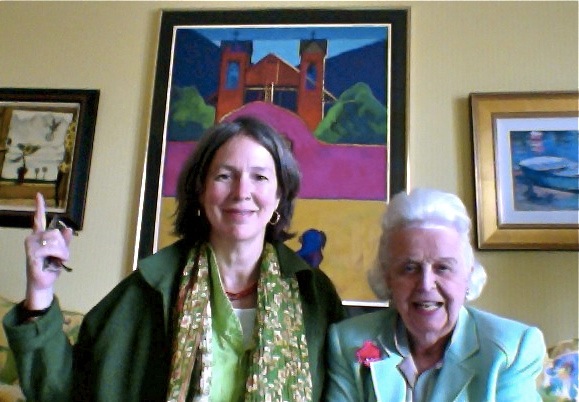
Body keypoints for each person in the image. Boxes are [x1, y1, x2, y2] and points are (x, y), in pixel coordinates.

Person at [3, 116, 345, 401]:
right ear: (201, 190)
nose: (242, 192)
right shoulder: (151, 287)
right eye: (224, 176)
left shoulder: (314, 295)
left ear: (279, 194)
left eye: (259, 177)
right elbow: (65, 391)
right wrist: (40, 291)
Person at [324, 188, 546, 402]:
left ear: (468, 276)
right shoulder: (348, 341)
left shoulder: (512, 349)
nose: (425, 284)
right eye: (409, 268)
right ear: (387, 277)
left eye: (443, 268)